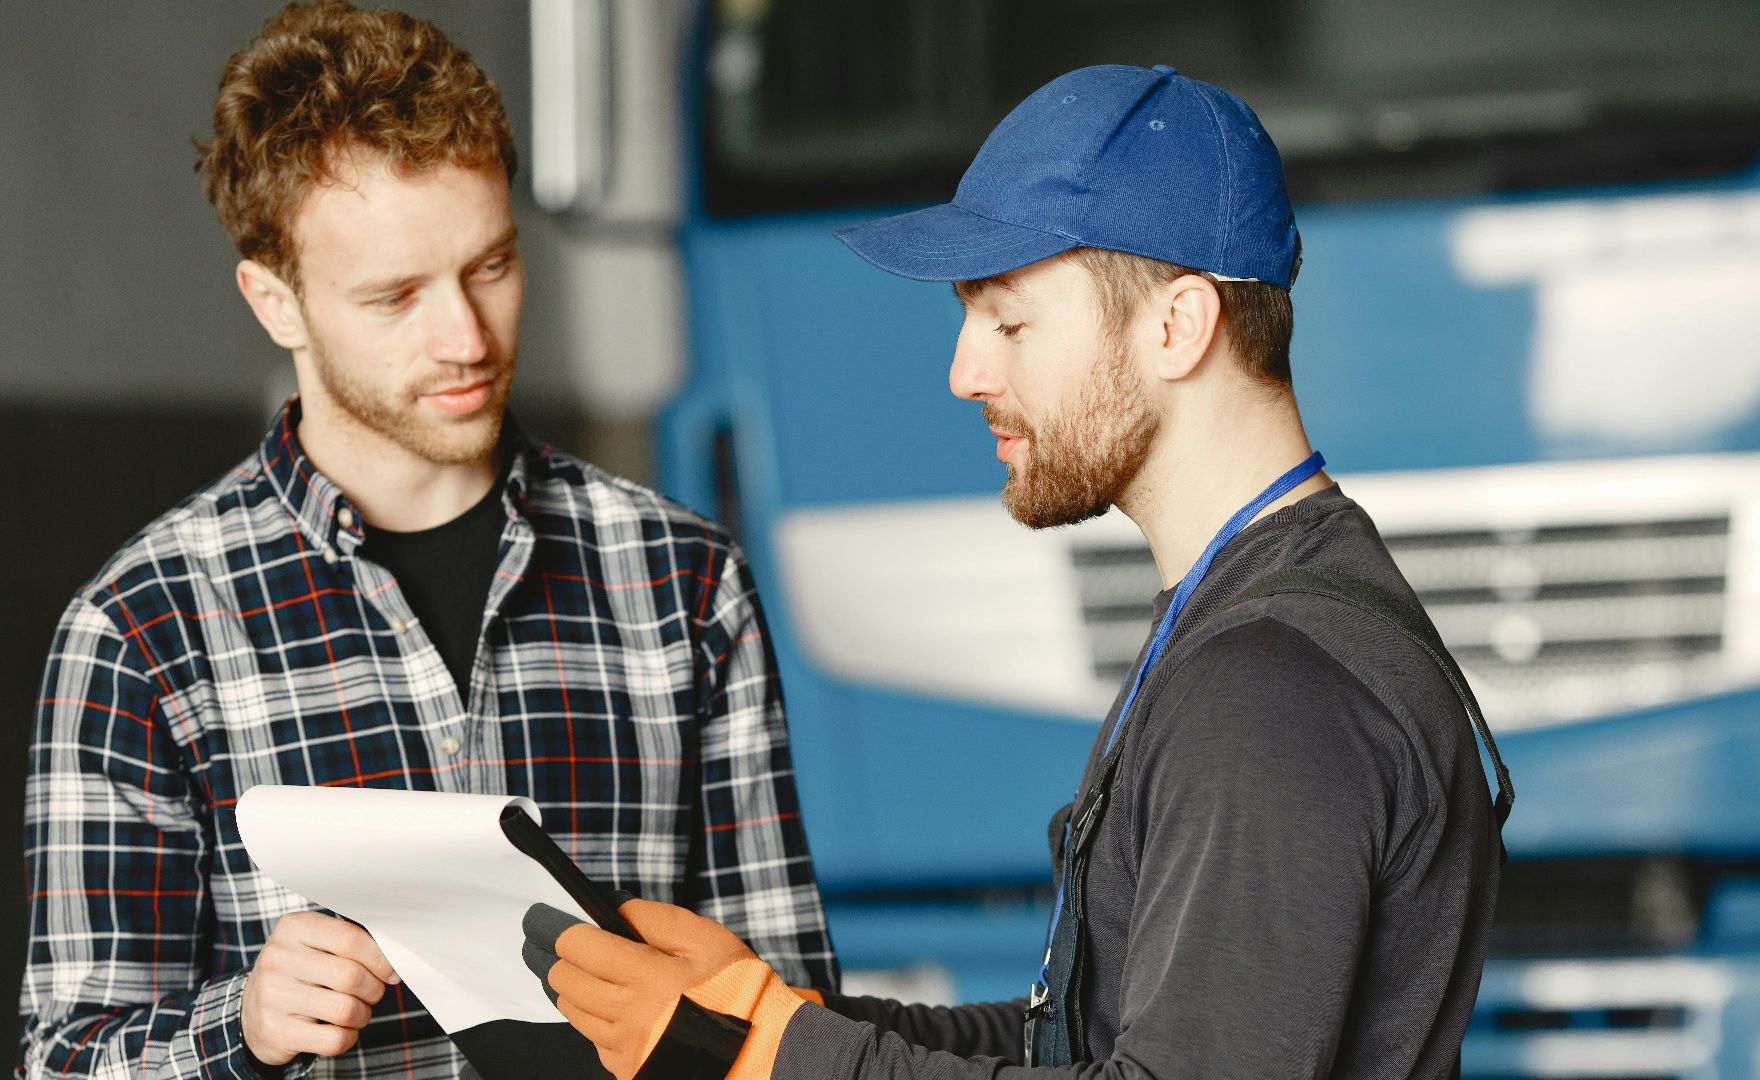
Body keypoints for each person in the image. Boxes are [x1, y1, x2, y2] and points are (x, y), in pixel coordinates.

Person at [525, 64, 1511, 1080]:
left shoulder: (1269, 694)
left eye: (1011, 322)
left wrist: (771, 1059)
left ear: (1177, 327)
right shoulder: (1251, 621)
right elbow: (1082, 1041)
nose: (965, 372)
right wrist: (772, 1015)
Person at [16, 3, 837, 1076]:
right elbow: (64, 1059)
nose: (466, 337)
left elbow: (794, 1023)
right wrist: (243, 1029)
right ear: (276, 302)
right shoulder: (141, 633)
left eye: (490, 266)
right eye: (395, 295)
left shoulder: (680, 581)